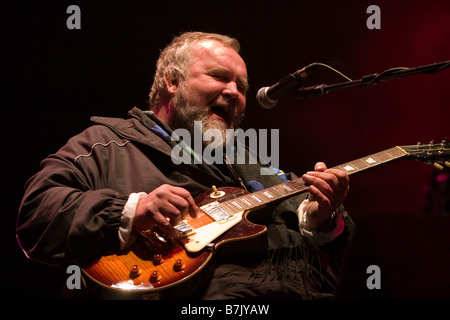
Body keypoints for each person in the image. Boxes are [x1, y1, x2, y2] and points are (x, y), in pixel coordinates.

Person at [16, 31, 353, 300]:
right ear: (171, 81)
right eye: (219, 77)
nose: (234, 92)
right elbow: (36, 214)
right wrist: (133, 209)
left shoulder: (254, 163)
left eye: (242, 87)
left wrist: (325, 219)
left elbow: (340, 246)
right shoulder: (106, 144)